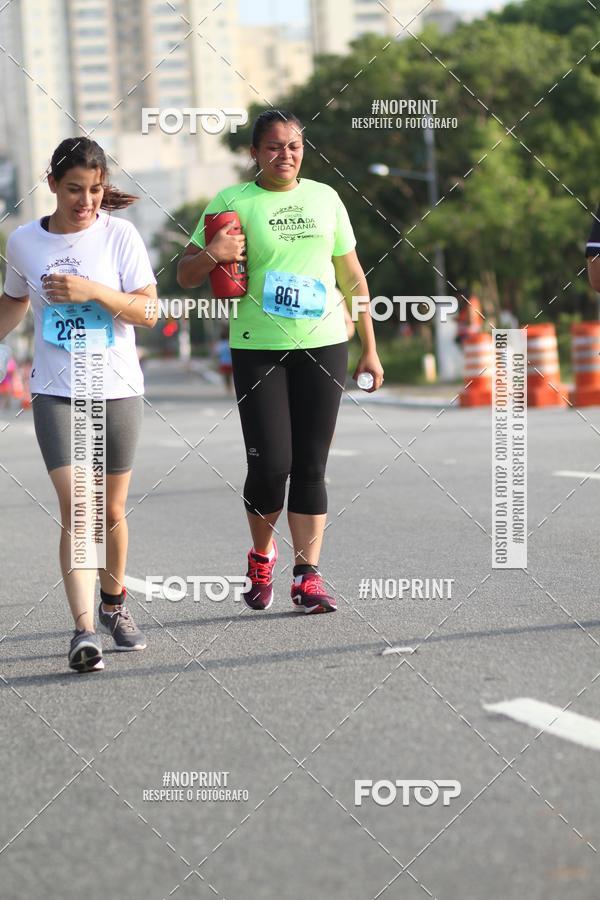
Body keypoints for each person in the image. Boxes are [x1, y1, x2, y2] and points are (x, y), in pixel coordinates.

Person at [178, 108, 383, 613]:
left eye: (292, 145)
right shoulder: (232, 202)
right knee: (272, 465)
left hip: (325, 342)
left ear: (303, 150)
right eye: (272, 146)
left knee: (311, 466)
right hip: (257, 345)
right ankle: (262, 555)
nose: (283, 154)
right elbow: (185, 274)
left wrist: (370, 347)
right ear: (254, 153)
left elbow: (352, 274)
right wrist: (213, 252)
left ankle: (307, 576)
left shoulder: (326, 199)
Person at [0, 137, 158, 672]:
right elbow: (15, 302)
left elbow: (147, 311)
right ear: (51, 186)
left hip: (116, 387)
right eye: (74, 190)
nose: (86, 201)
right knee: (80, 507)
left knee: (111, 511)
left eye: (95, 190)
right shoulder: (23, 242)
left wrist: (93, 291)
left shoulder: (120, 236)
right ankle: (84, 630)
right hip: (56, 389)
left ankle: (115, 607)